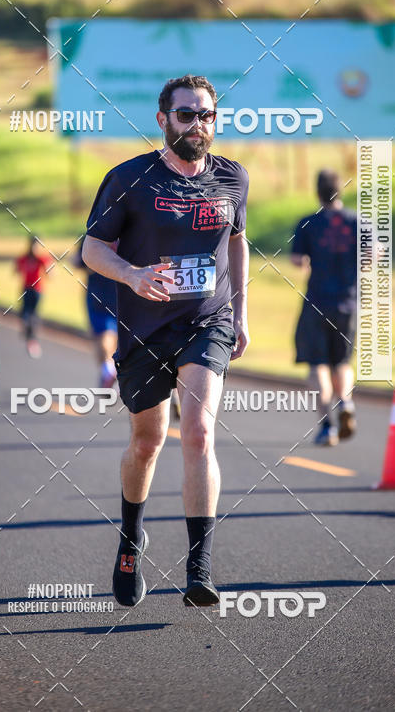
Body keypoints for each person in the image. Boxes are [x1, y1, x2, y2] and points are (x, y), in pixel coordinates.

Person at [83, 74, 249, 608]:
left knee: (198, 431)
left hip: (208, 320)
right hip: (144, 328)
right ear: (163, 120)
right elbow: (92, 249)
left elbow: (238, 243)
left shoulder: (232, 179)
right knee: (147, 442)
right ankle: (131, 537)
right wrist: (132, 276)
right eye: (186, 115)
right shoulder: (130, 178)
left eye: (206, 115)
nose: (197, 125)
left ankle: (199, 565)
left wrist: (239, 313)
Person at [291, 169, 357, 446]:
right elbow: (373, 255)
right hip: (348, 302)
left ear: (317, 192)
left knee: (318, 365)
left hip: (317, 302)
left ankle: (327, 425)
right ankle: (347, 403)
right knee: (341, 361)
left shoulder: (308, 223)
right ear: (340, 190)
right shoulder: (358, 221)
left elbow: (297, 260)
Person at [74, 239, 119, 388]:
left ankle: (109, 371)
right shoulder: (93, 234)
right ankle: (107, 371)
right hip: (104, 294)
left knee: (104, 335)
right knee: (106, 335)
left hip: (110, 295)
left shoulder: (95, 231)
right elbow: (79, 261)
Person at [15, 237, 51, 358]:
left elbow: (50, 273)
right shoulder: (24, 257)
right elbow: (16, 269)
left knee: (33, 315)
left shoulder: (41, 259)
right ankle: (27, 333)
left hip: (37, 290)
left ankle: (32, 340)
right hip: (26, 288)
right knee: (24, 314)